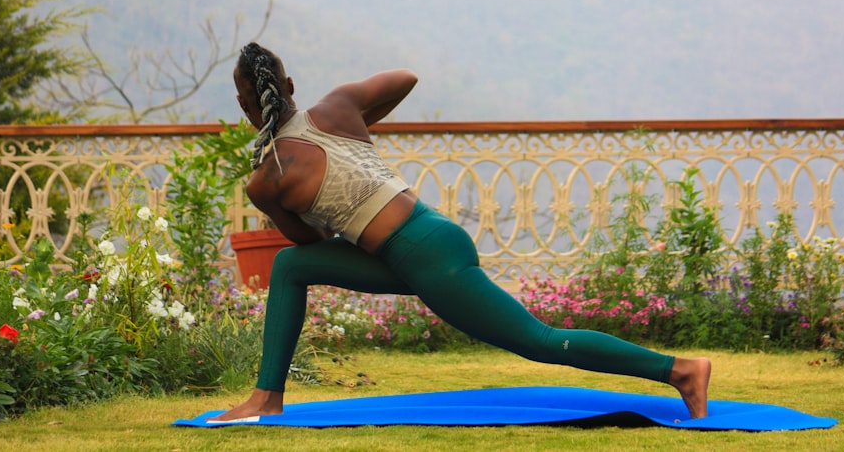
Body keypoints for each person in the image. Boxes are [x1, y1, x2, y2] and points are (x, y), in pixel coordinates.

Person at [211, 42, 711, 421]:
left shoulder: (266, 181)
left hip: (427, 256)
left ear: (242, 103)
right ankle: (267, 396)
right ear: (291, 85)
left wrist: (329, 204)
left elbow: (311, 242)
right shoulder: (339, 106)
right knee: (289, 267)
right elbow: (404, 78)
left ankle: (679, 370)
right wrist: (363, 121)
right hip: (424, 238)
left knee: (538, 340)